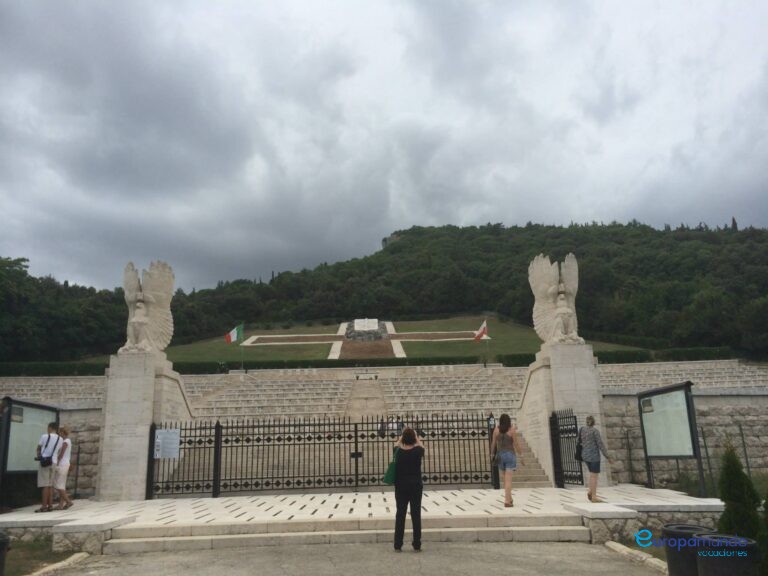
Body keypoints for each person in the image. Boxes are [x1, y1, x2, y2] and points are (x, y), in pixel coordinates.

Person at [393, 427, 424, 552]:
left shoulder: (398, 451)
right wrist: (416, 437)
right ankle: (417, 544)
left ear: (403, 438)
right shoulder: (418, 451)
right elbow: (421, 446)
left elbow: (396, 444)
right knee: (416, 514)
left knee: (400, 514)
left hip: (401, 486)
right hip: (415, 485)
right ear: (414, 439)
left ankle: (398, 544)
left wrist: (401, 438)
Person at [491, 414, 522, 507]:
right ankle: (507, 501)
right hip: (510, 455)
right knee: (508, 480)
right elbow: (516, 444)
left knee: (505, 479)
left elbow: (493, 444)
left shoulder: (496, 430)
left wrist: (492, 454)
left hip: (500, 455)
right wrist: (521, 455)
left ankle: (510, 498)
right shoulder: (511, 430)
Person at [579, 415, 611, 502]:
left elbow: (579, 441)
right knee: (594, 476)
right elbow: (600, 444)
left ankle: (590, 491)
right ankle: (594, 497)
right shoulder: (595, 431)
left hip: (585, 456)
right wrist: (607, 456)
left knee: (592, 475)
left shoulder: (582, 430)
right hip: (594, 457)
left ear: (586, 422)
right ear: (594, 422)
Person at [35, 421, 60, 513]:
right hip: (54, 462)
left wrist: (39, 455)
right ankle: (50, 505)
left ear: (50, 428)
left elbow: (38, 448)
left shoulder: (44, 436)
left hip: (45, 462)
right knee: (50, 484)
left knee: (45, 484)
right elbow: (58, 451)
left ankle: (44, 506)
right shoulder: (60, 439)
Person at [54, 426, 74, 510]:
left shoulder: (65, 441)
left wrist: (57, 463)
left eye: (60, 432)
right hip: (66, 464)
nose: (59, 434)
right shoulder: (68, 441)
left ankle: (68, 501)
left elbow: (61, 454)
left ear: (62, 432)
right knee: (62, 485)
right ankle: (60, 504)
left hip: (62, 464)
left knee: (57, 485)